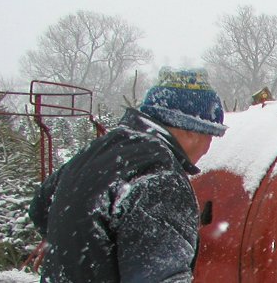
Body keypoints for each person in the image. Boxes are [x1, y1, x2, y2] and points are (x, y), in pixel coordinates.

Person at [29, 67, 228, 282]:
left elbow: (40, 208)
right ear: (192, 130)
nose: (209, 147)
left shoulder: (98, 151)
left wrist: (66, 245)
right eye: (211, 135)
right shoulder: (160, 178)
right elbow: (161, 276)